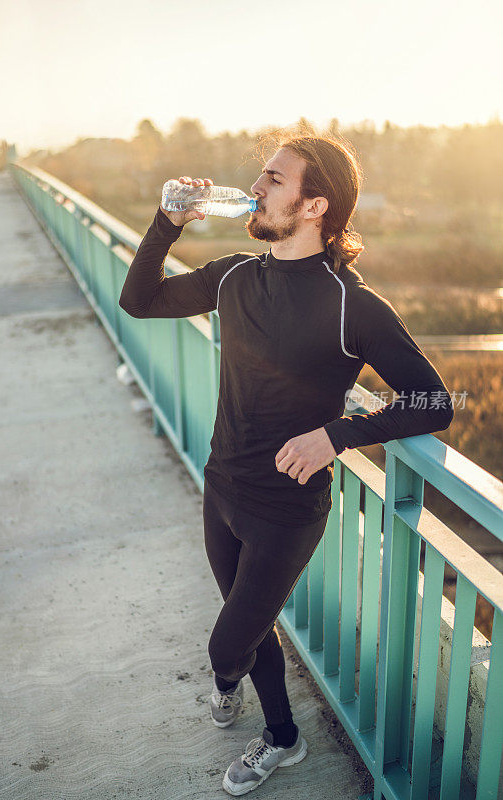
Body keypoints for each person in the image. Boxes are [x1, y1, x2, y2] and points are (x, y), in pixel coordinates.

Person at [118, 133, 454, 796]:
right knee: (251, 628)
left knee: (225, 649)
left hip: (286, 512)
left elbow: (435, 400)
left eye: (275, 179)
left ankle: (228, 682)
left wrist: (339, 433)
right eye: (263, 176)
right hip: (221, 488)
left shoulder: (351, 306)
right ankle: (283, 737)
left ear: (314, 205)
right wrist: (167, 223)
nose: (258, 187)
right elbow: (141, 300)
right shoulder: (236, 274)